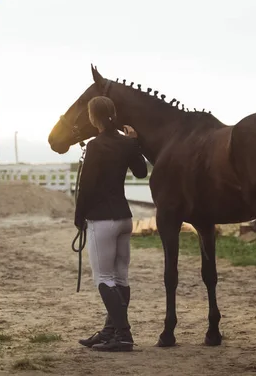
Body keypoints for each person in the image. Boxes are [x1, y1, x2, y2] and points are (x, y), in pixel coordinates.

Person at [74, 96, 148, 352]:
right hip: (124, 218)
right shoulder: (127, 144)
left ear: (93, 118)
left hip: (101, 220)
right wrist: (135, 142)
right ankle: (110, 331)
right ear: (114, 114)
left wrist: (78, 216)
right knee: (120, 277)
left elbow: (86, 186)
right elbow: (141, 172)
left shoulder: (95, 146)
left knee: (104, 278)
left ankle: (124, 334)